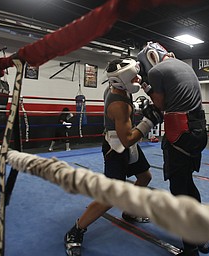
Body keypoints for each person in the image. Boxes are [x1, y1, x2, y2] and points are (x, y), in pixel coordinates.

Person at [64, 58, 164, 256]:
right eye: (132, 76)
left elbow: (125, 118)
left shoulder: (116, 88)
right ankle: (76, 231)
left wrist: (137, 107)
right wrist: (148, 122)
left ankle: (129, 211)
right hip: (116, 149)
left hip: (126, 143)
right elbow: (126, 139)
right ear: (122, 80)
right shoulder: (118, 105)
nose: (137, 78)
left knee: (145, 177)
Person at [137, 41, 209, 256]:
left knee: (179, 189)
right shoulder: (185, 66)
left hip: (180, 133)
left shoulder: (158, 70)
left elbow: (160, 105)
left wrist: (146, 87)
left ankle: (190, 246)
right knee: (189, 182)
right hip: (199, 131)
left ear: (150, 58)